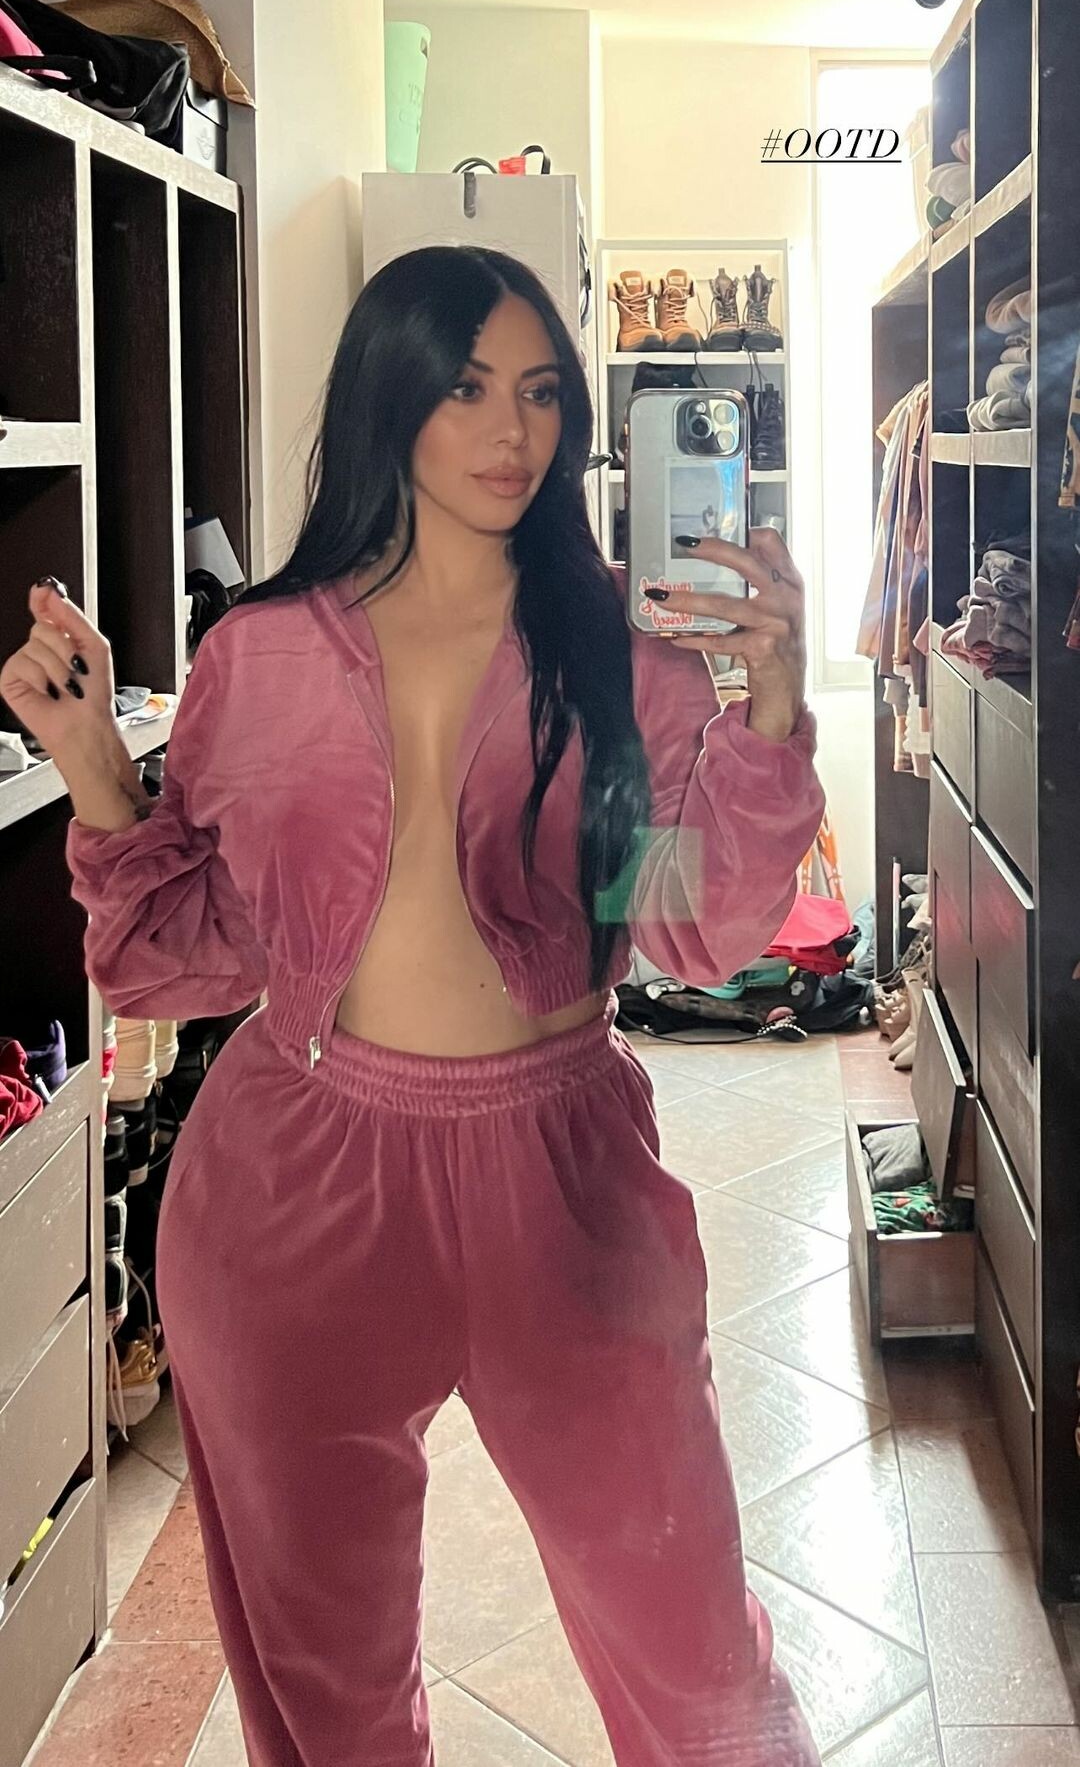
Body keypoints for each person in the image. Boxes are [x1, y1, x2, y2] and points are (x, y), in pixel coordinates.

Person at [1, 246, 825, 1767]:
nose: (513, 431)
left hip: (564, 1170)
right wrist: (95, 766)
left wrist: (768, 716)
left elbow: (685, 920)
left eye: (541, 392)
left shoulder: (622, 666)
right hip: (298, 1183)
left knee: (695, 1656)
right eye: (466, 388)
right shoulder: (258, 659)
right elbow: (186, 959)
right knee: (330, 1690)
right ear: (390, 397)